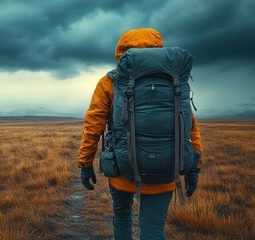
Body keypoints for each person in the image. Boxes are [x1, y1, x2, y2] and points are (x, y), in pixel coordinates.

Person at [78, 28, 203, 240]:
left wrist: (85, 163)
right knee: (153, 231)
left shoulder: (110, 82)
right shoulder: (176, 82)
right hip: (166, 169)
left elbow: (93, 126)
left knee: (123, 217)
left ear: (121, 51)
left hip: (122, 168)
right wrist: (194, 167)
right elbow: (189, 126)